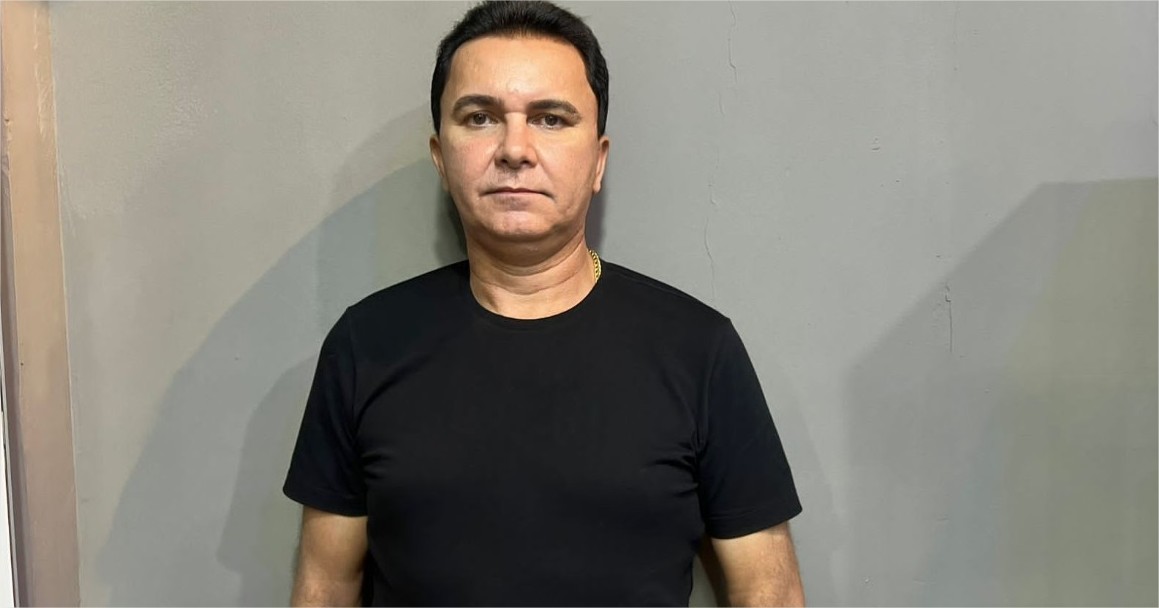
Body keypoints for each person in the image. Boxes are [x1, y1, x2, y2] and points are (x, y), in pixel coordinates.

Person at [283, 2, 804, 605]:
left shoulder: (698, 350)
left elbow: (768, 590)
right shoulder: (365, 344)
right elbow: (325, 584)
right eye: (480, 117)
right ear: (440, 158)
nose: (515, 149)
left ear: (598, 160)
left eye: (550, 119)